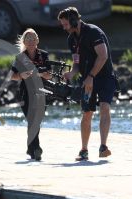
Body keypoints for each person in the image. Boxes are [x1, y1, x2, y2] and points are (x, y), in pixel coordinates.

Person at [58, 7, 116, 161]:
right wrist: (71, 73)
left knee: (105, 106)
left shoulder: (94, 32)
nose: (63, 28)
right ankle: (84, 150)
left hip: (104, 77)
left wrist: (91, 76)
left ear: (73, 21)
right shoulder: (72, 39)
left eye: (65, 24)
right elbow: (76, 62)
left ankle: (103, 147)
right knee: (87, 113)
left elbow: (103, 56)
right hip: (87, 79)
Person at [10, 28, 52, 161]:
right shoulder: (20, 57)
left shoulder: (44, 55)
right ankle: (36, 148)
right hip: (25, 93)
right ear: (24, 41)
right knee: (31, 119)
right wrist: (21, 75)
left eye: (33, 38)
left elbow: (50, 74)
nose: (31, 41)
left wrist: (42, 75)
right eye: (28, 39)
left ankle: (31, 148)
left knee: (36, 120)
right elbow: (12, 76)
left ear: (37, 41)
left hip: (41, 92)